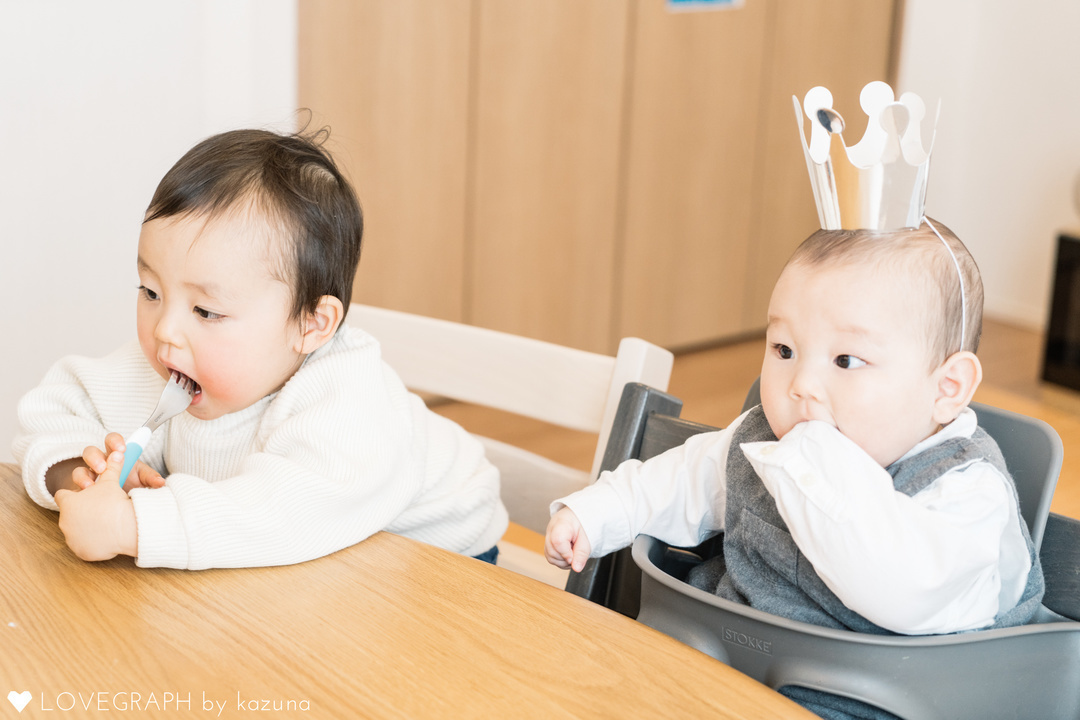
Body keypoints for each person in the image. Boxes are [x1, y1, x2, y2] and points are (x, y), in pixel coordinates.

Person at [14, 127, 507, 570]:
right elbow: (56, 408)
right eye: (150, 292)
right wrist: (80, 474)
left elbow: (285, 514)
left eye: (206, 311)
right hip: (317, 566)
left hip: (436, 563)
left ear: (311, 325)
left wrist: (135, 526)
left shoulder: (347, 401)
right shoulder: (176, 362)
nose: (166, 329)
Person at [546, 220, 1044, 634]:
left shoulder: (968, 493)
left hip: (870, 700)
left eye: (846, 360)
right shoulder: (765, 434)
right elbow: (681, 480)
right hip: (722, 659)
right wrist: (597, 513)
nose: (801, 384)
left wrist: (818, 464)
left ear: (946, 388)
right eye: (784, 350)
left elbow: (904, 591)